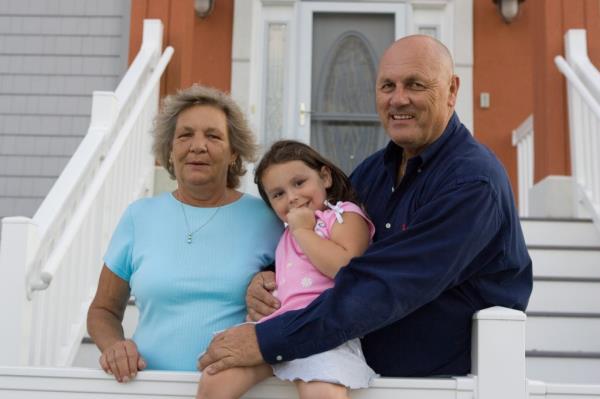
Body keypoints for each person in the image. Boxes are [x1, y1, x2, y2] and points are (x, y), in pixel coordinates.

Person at [198, 34, 532, 378]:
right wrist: (268, 276)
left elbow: (390, 283)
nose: (398, 99)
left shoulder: (471, 183)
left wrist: (269, 339)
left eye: (415, 85)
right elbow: (321, 231)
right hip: (350, 372)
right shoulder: (372, 171)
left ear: (451, 90)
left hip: (435, 386)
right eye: (387, 86)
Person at [86, 85, 282, 382]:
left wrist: (269, 278)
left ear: (233, 154)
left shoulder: (267, 219)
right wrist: (114, 346)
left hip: (236, 391)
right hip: (148, 387)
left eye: (213, 136)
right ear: (170, 150)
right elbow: (103, 310)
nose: (197, 146)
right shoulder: (139, 217)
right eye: (185, 135)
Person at [196, 140, 376, 399]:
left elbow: (345, 268)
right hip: (277, 329)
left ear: (324, 177)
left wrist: (303, 230)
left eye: (299, 183)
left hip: (324, 333)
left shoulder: (342, 215)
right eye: (278, 194)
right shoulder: (287, 233)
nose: (292, 197)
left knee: (322, 392)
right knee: (216, 378)